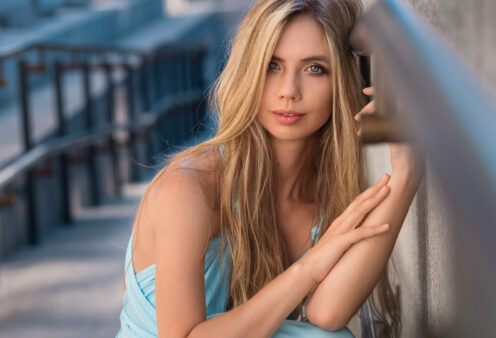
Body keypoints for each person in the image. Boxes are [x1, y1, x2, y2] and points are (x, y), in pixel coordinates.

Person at [117, 0, 423, 337]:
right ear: (249, 70)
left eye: (314, 68)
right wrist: (308, 268)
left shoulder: (324, 191)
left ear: (342, 81)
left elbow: (328, 312)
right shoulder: (190, 187)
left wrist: (407, 173)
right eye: (272, 65)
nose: (288, 91)